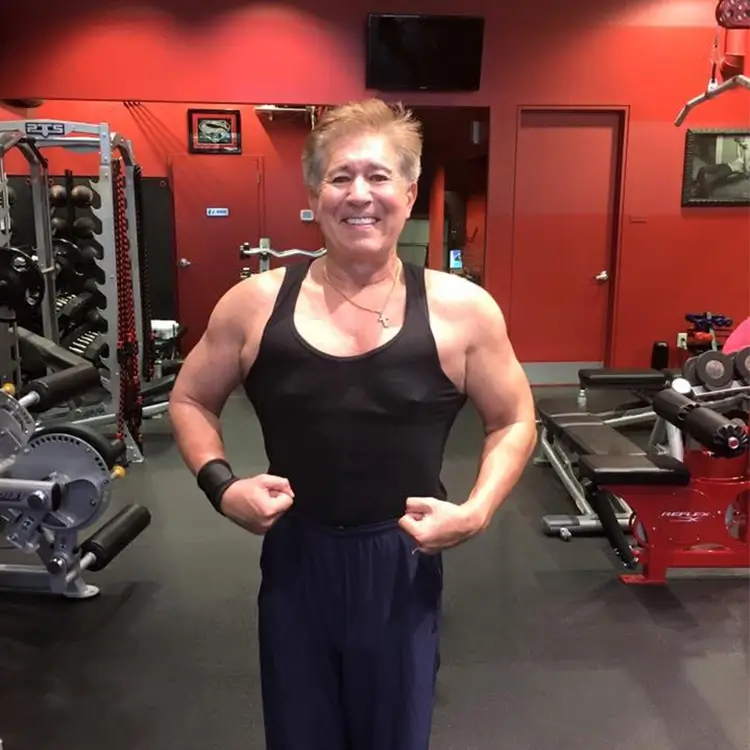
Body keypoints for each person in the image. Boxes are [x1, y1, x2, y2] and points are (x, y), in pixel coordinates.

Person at [168, 98, 537, 750]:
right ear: (314, 194)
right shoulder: (254, 304)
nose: (358, 195)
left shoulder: (463, 311)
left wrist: (477, 511)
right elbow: (191, 400)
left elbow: (513, 420)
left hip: (401, 560)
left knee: (394, 737)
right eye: (340, 178)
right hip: (296, 558)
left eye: (377, 176)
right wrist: (222, 485)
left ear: (409, 191)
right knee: (299, 736)